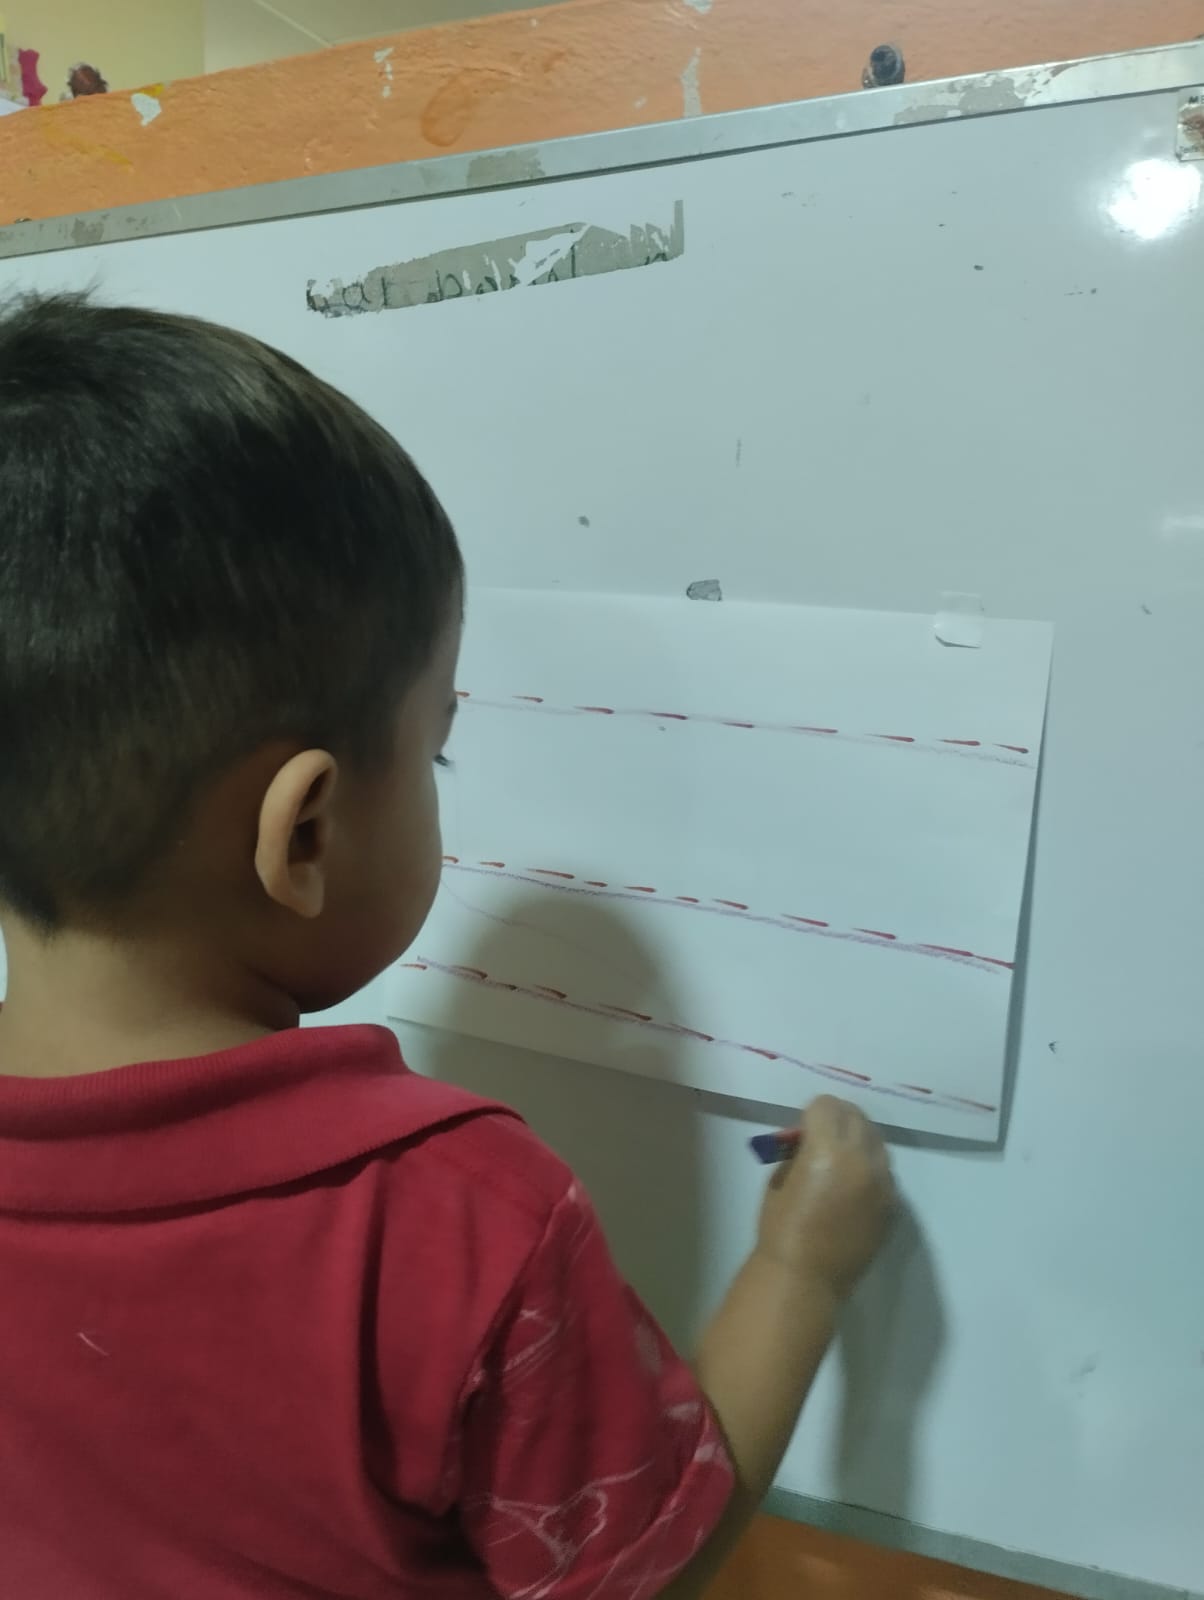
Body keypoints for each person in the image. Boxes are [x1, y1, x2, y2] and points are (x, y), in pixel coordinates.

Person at [0, 293, 895, 1600]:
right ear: (305, 834)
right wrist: (801, 1272)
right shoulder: (455, 1214)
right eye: (438, 752)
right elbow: (645, 1567)